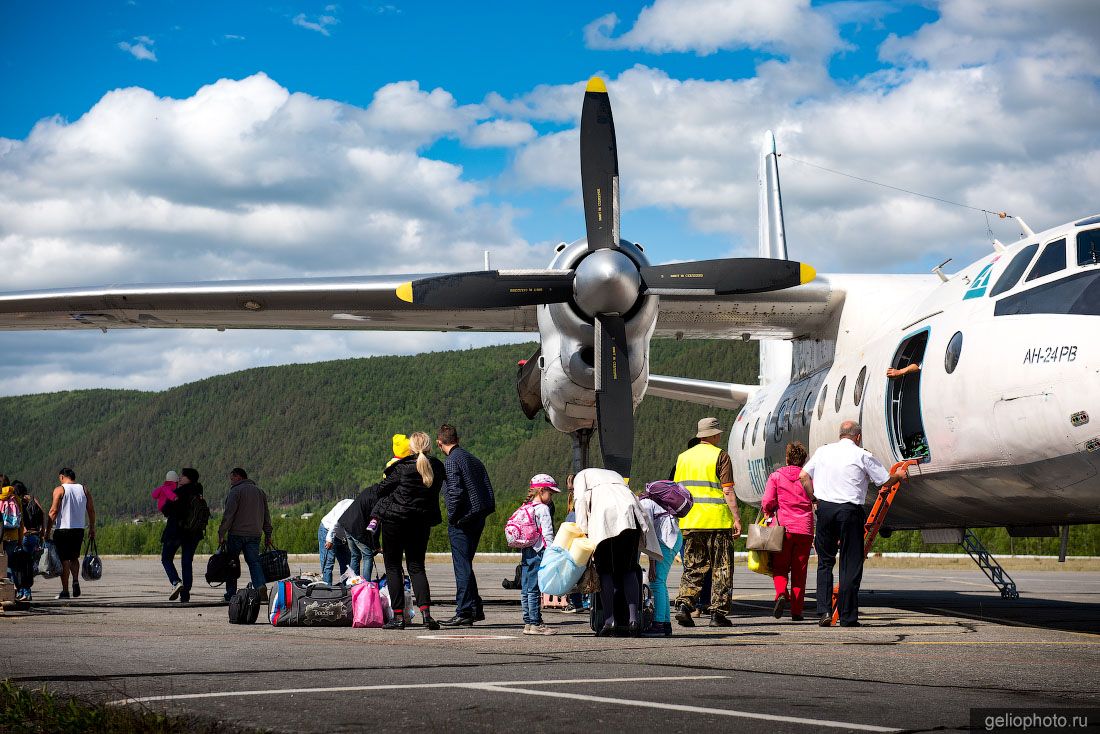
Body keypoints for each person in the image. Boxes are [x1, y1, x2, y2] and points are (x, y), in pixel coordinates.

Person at [799, 421, 907, 627]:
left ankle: (823, 611)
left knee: (825, 562)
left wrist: (814, 499)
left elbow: (803, 476)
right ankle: (848, 616)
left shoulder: (823, 452)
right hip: (849, 511)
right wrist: (898, 476)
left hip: (825, 510)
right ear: (858, 437)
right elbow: (884, 481)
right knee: (850, 564)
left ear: (840, 435)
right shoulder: (862, 455)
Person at [573, 467, 662, 637]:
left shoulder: (581, 476)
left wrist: (583, 532)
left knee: (605, 571)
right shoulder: (615, 475)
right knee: (629, 568)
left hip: (604, 518)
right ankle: (634, 620)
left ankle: (609, 620)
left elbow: (580, 502)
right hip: (631, 517)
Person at [673, 417, 742, 628]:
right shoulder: (720, 456)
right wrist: (736, 518)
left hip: (690, 521)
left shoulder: (683, 458)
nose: (720, 436)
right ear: (712, 435)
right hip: (717, 521)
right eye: (718, 433)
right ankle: (717, 614)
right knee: (721, 568)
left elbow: (676, 491)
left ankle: (685, 605)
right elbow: (727, 490)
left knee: (693, 566)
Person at [375, 431, 445, 630]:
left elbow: (382, 488)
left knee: (393, 567)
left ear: (411, 447)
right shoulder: (437, 467)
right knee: (417, 566)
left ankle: (398, 617)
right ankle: (426, 614)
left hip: (395, 521)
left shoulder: (402, 468)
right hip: (420, 522)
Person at [437, 424, 495, 627]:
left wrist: (452, 517)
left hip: (462, 520)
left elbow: (455, 492)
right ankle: (475, 608)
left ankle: (463, 611)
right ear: (457, 438)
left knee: (461, 567)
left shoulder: (451, 461)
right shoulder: (473, 459)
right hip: (478, 517)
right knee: (466, 566)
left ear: (439, 442)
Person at [762, 442, 814, 621]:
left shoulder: (776, 476)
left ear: (787, 458)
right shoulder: (808, 477)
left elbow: (767, 502)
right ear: (804, 459)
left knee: (780, 566)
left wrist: (768, 511)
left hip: (783, 528)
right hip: (805, 529)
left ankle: (781, 593)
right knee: (800, 571)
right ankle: (797, 611)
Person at [218, 467, 273, 603]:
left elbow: (229, 514)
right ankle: (260, 586)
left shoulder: (236, 491)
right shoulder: (260, 492)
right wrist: (268, 534)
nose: (231, 482)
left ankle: (230, 594)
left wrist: (221, 533)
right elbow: (266, 515)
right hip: (255, 534)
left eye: (232, 478)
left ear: (239, 477)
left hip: (237, 533)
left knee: (232, 563)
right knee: (254, 562)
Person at [638, 481, 684, 637]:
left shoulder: (644, 504)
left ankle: (658, 625)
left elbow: (650, 535)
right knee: (660, 582)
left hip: (666, 540)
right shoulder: (651, 501)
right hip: (673, 537)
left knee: (656, 582)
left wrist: (651, 564)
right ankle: (665, 624)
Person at [45, 468, 96, 600]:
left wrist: (47, 531)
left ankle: (65, 591)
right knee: (74, 558)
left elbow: (53, 512)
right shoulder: (84, 489)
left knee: (64, 560)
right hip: (79, 529)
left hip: (63, 529)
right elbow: (91, 510)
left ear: (62, 477)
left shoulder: (60, 490)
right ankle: (75, 580)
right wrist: (92, 528)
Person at [519, 474, 559, 636]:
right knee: (535, 589)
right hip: (539, 550)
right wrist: (552, 552)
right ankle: (536, 623)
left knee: (526, 588)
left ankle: (528, 622)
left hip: (526, 550)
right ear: (541, 491)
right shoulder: (543, 509)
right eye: (550, 493)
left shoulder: (526, 506)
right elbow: (548, 533)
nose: (551, 497)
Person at [161, 467, 205, 603]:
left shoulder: (180, 492)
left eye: (183, 476)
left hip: (176, 532)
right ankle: (185, 594)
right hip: (194, 533)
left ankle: (176, 582)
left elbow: (166, 509)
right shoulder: (198, 493)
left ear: (189, 478)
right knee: (186, 562)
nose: (180, 478)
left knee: (166, 558)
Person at [339, 485, 381, 580]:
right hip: (356, 528)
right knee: (368, 555)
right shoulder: (379, 500)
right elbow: (374, 525)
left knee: (355, 555)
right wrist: (376, 546)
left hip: (347, 524)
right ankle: (366, 584)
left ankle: (353, 583)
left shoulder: (369, 490)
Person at [13, 481, 45, 602]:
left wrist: (23, 530)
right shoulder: (33, 498)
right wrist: (42, 530)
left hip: (25, 536)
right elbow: (42, 512)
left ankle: (24, 592)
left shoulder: (18, 500)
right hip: (36, 535)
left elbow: (19, 517)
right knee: (29, 566)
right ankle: (25, 592)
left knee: (21, 566)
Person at [318, 498, 354, 584]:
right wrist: (329, 539)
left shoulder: (362, 510)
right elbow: (335, 521)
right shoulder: (349, 505)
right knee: (328, 563)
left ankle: (345, 589)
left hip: (342, 537)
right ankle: (327, 590)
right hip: (327, 529)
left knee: (346, 564)